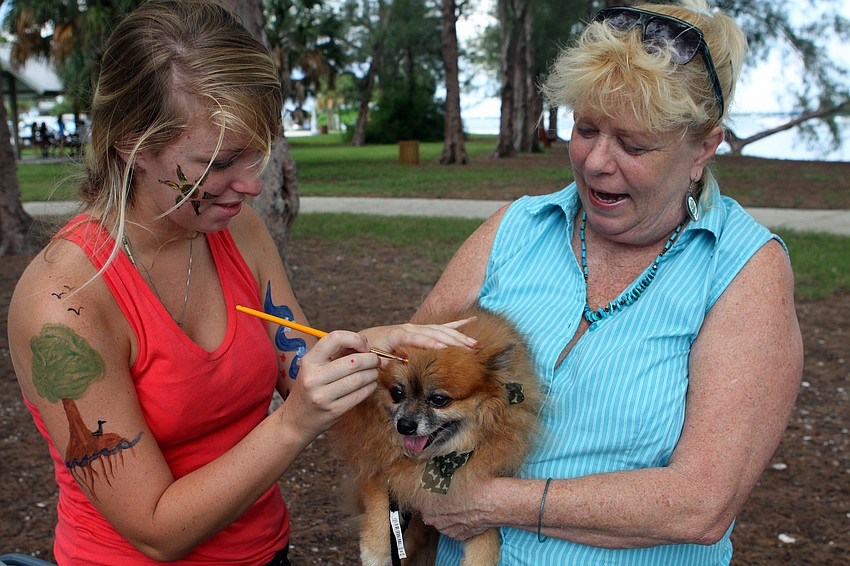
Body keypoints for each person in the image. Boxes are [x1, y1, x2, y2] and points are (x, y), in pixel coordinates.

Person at [7, 1, 475, 564]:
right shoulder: (64, 305)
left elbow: (298, 363)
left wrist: (384, 351)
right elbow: (156, 530)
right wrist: (293, 423)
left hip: (265, 550)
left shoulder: (234, 229)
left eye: (258, 153)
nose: (251, 185)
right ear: (132, 142)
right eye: (221, 162)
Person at [413, 1, 803, 564]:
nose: (596, 161)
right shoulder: (518, 228)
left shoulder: (745, 270)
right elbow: (409, 372)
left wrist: (496, 502)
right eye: (585, 128)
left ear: (703, 148)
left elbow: (701, 504)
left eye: (633, 144)